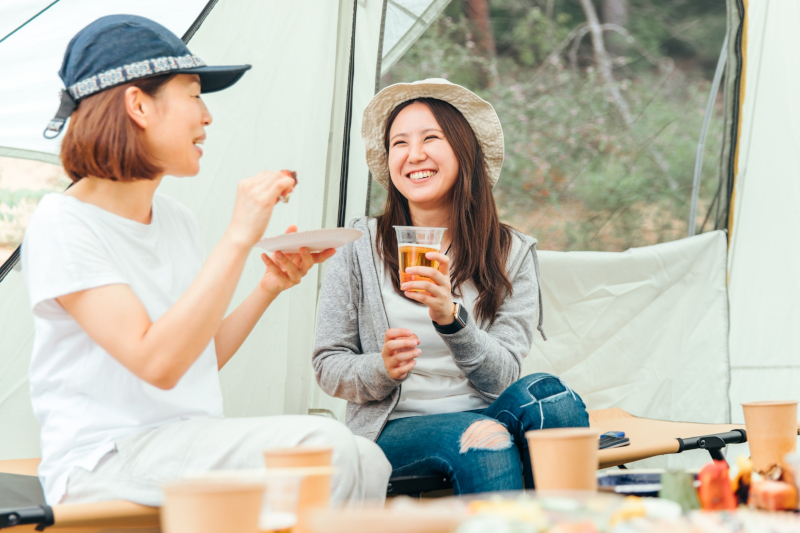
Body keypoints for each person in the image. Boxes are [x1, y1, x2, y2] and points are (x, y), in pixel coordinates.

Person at [21, 15, 390, 507]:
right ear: (138, 105)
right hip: (102, 458)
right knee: (325, 449)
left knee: (367, 457)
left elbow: (196, 357)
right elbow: (157, 363)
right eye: (193, 95)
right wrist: (238, 237)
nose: (207, 116)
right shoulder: (63, 223)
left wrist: (267, 288)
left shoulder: (175, 219)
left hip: (180, 443)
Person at [313, 79, 590, 494]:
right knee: (486, 439)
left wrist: (452, 320)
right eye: (399, 143)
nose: (414, 155)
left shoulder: (509, 251)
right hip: (396, 426)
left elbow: (503, 378)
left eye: (431, 138)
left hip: (489, 409)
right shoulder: (358, 248)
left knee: (553, 399)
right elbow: (327, 365)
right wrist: (382, 368)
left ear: (464, 149)